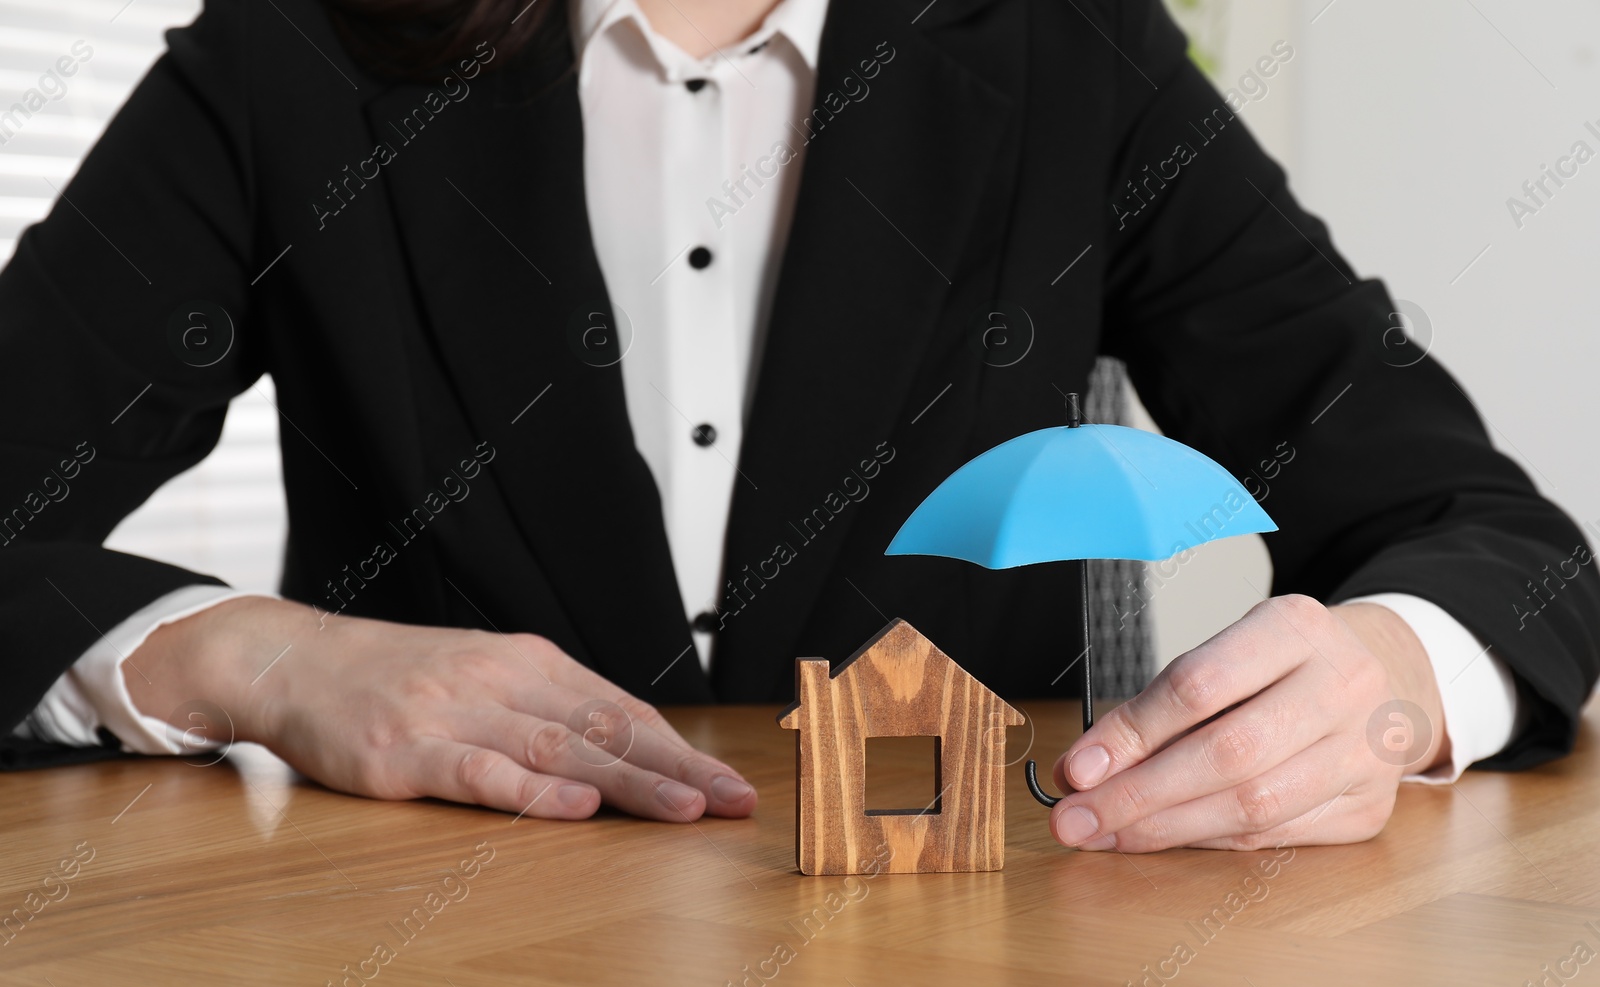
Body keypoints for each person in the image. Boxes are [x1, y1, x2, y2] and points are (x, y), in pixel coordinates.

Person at [1, 0, 1595, 851]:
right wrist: (264, 662)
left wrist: (1388, 683)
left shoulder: (1070, 49)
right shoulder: (294, 48)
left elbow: (1504, 550)